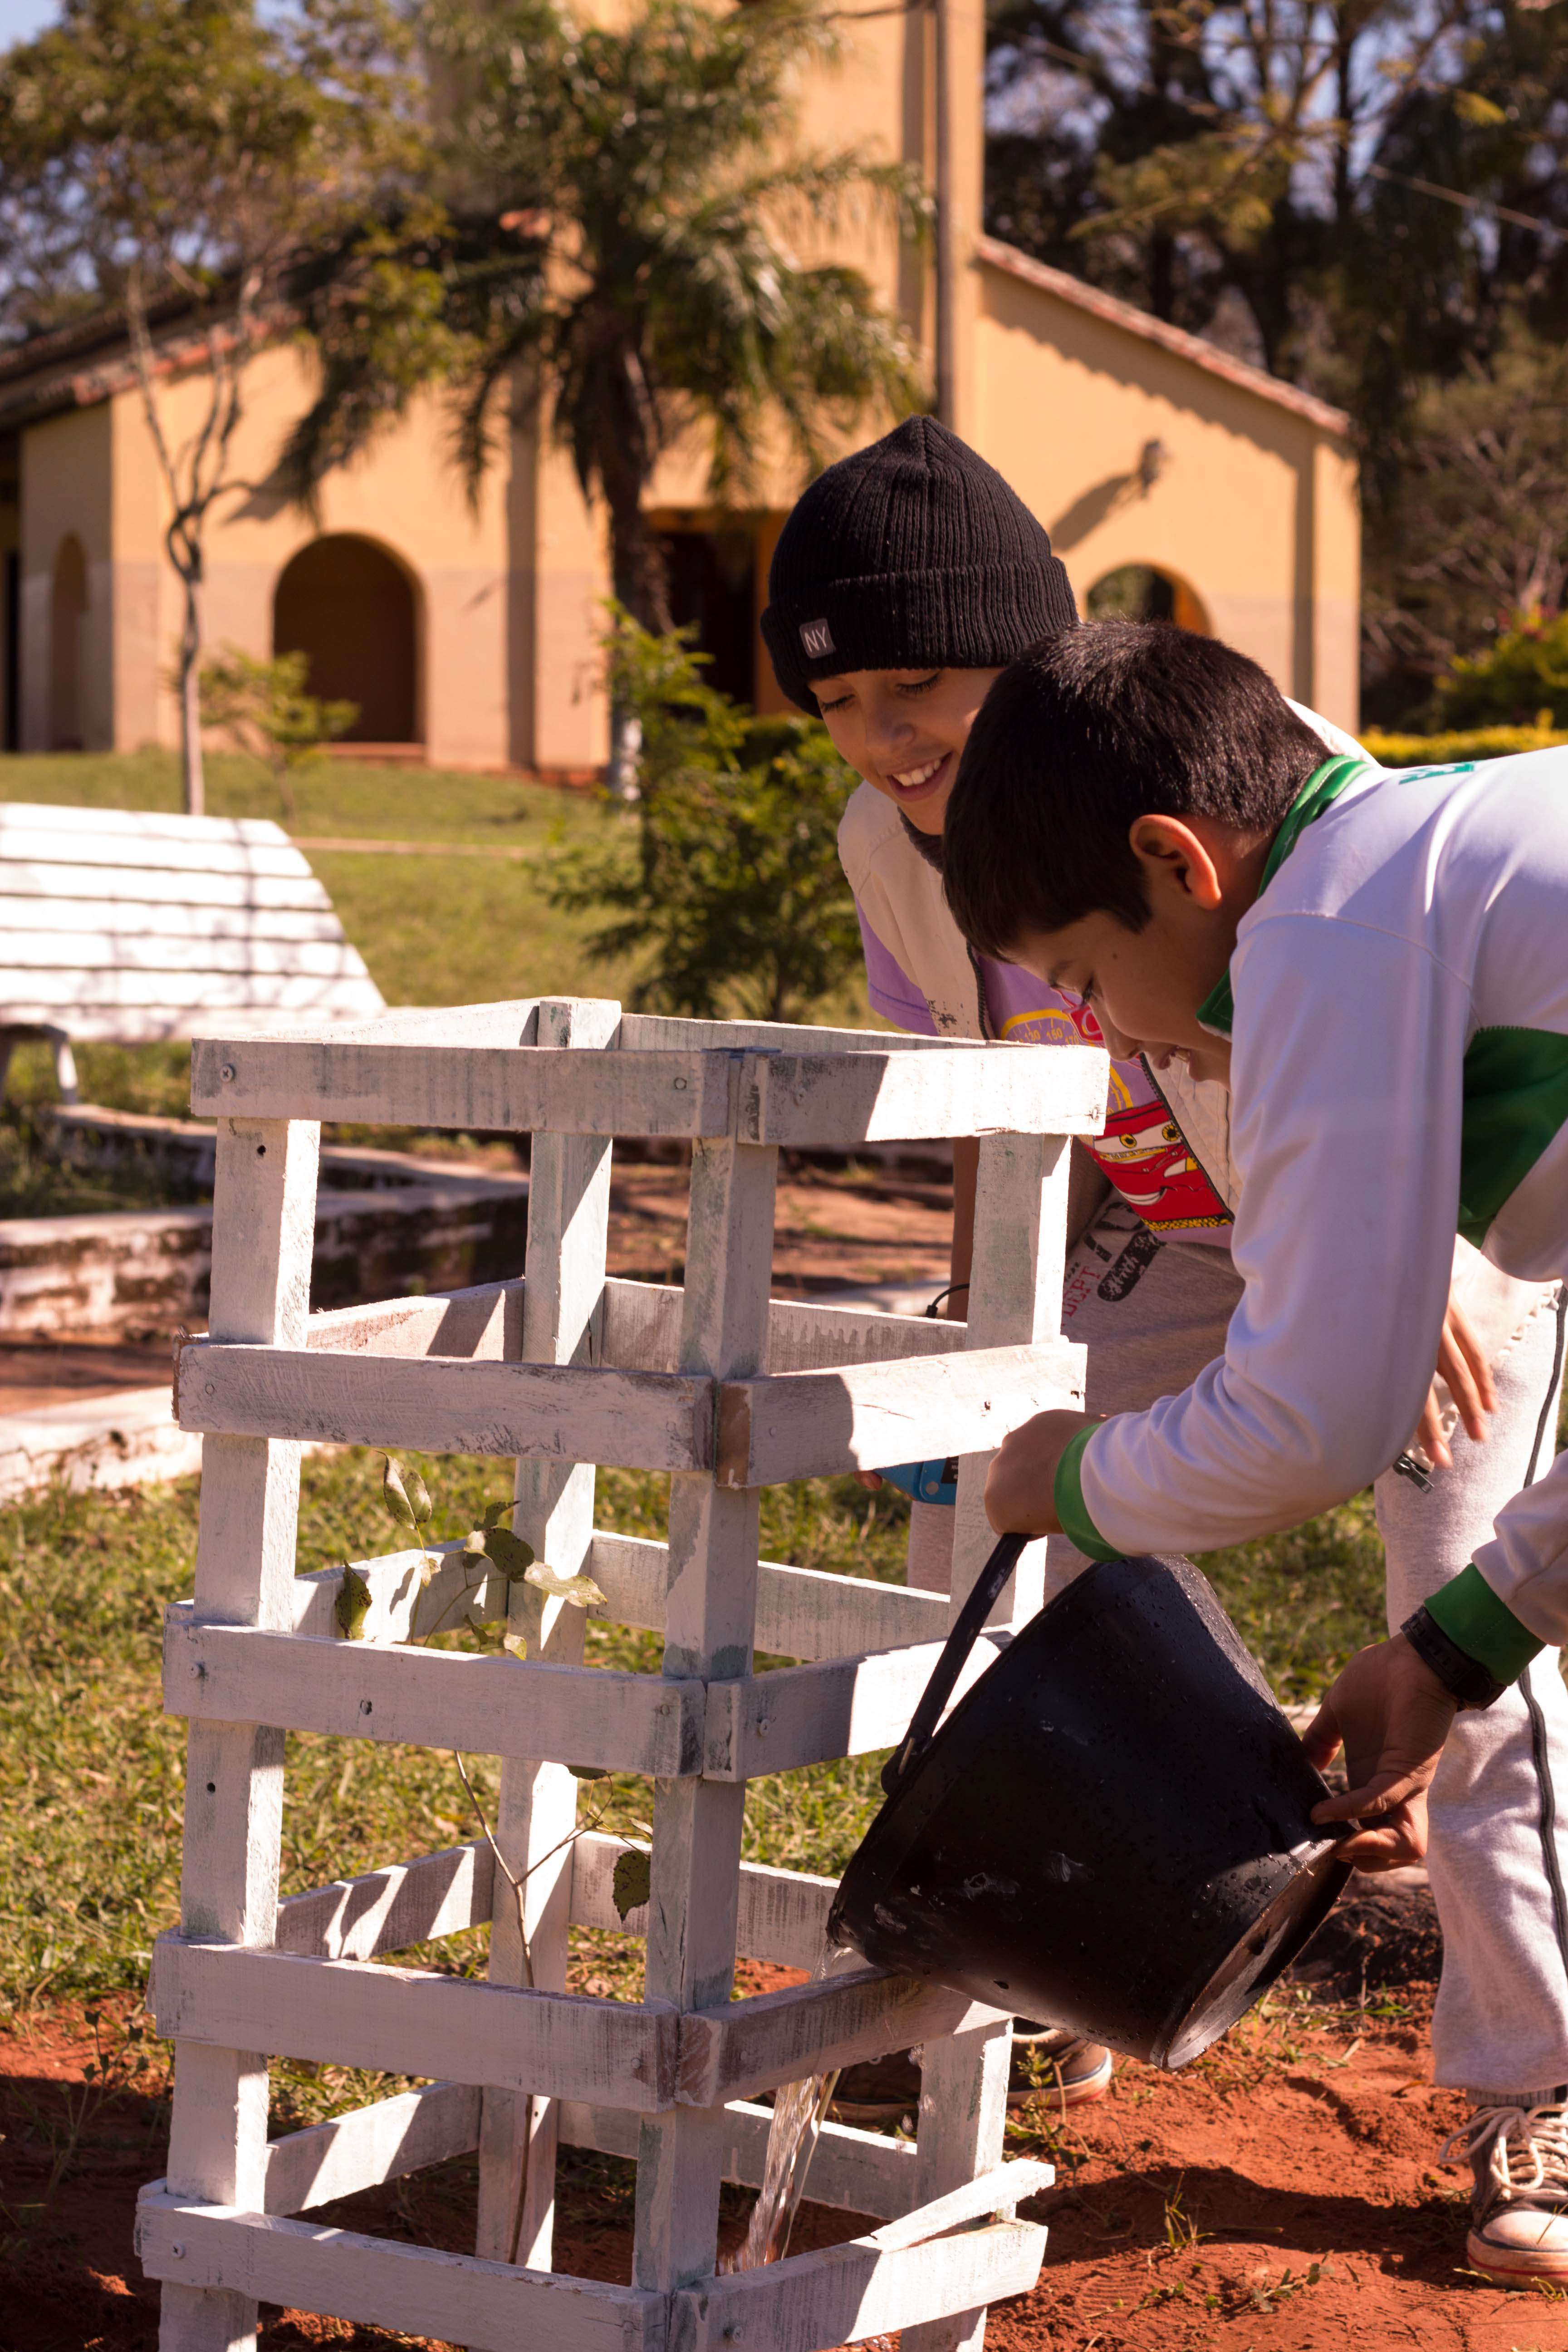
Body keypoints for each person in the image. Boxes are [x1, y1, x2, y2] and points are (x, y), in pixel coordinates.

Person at [759, 419, 1568, 2256]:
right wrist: (1007, 1361)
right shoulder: (903, 851)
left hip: (1398, 1207)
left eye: (928, 684)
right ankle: (1063, 1947)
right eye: (847, 701)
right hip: (1182, 1218)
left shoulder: (1258, 815)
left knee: (1455, 1562)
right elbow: (996, 1089)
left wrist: (1405, 1240)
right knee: (1015, 1526)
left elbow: (1320, 1363)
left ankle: (1539, 2080)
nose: (892, 736)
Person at [938, 616, 1568, 2284]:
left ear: (1175, 863)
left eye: (1086, 978)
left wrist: (1065, 1473)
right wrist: (1456, 1641)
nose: (1122, 1033)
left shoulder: (1327, 931)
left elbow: (1308, 1420)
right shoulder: (1443, 857)